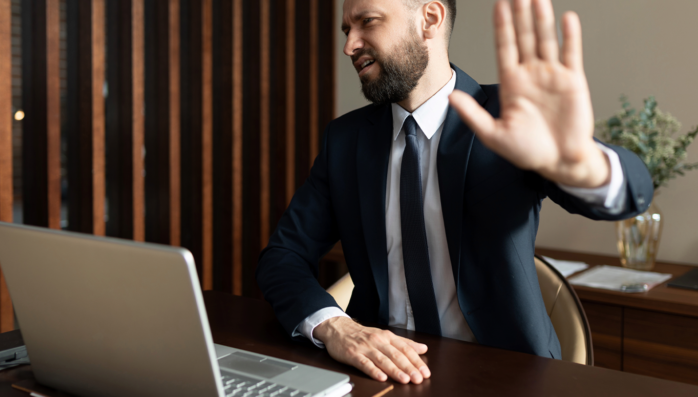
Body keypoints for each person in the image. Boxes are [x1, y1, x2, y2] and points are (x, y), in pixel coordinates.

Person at [256, 0, 652, 385]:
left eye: (368, 22)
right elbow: (284, 257)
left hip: (504, 373)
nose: (349, 45)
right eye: (347, 30)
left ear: (429, 18)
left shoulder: (510, 117)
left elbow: (635, 190)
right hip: (380, 371)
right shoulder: (344, 141)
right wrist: (336, 326)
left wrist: (584, 164)